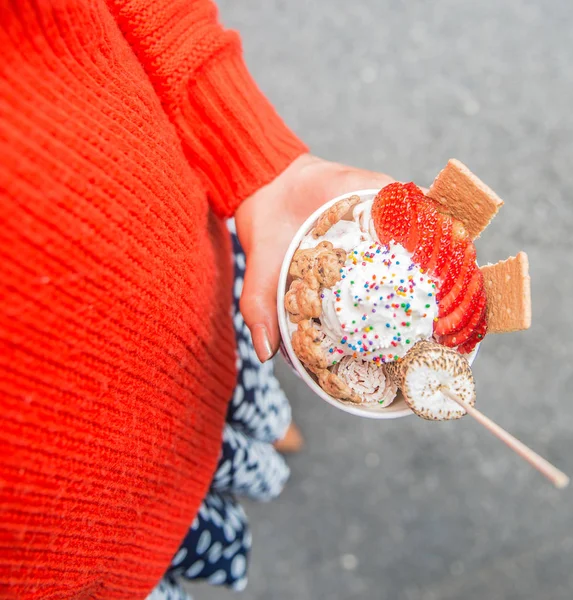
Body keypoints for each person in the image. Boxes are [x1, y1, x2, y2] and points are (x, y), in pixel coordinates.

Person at [0, 1, 392, 597]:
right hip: (63, 545)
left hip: (191, 289)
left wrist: (247, 147)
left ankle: (262, 426)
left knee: (248, 389)